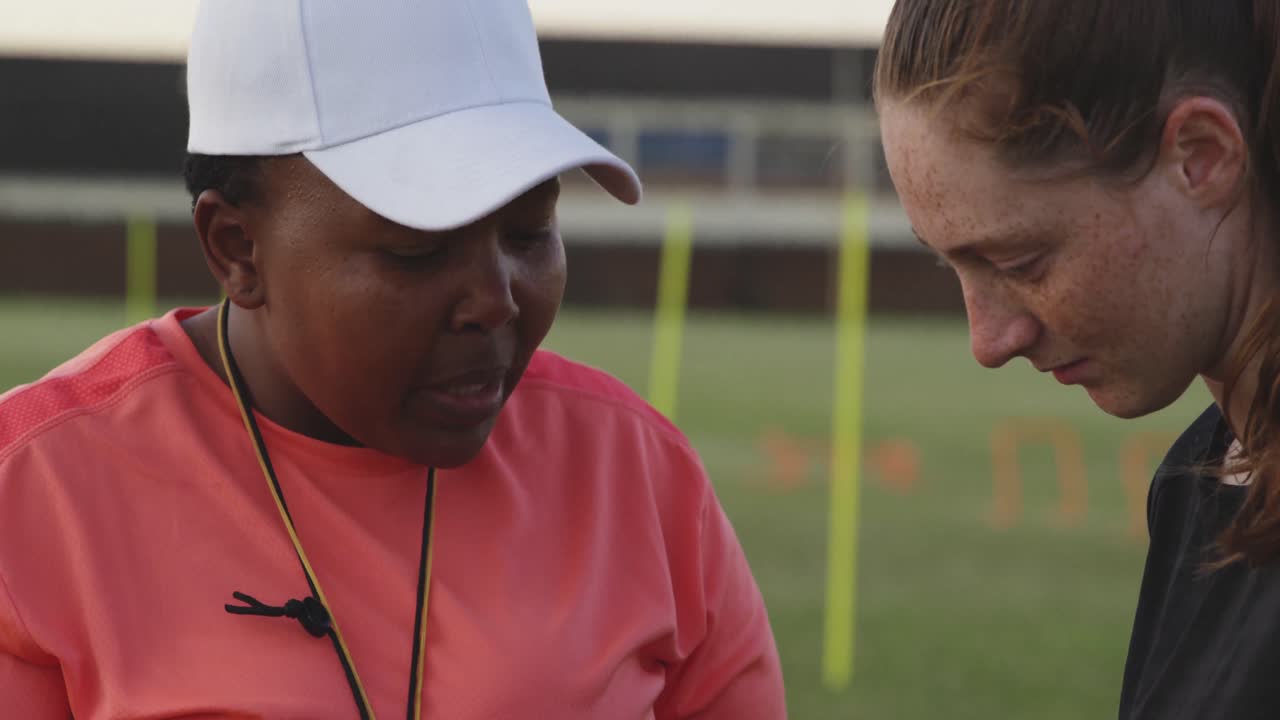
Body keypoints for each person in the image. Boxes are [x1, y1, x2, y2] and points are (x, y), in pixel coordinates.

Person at [0, 1, 786, 718]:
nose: (496, 300)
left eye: (528, 233)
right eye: (418, 249)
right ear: (237, 248)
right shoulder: (35, 495)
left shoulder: (636, 475)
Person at [874, 1, 1280, 718]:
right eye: (951, 267)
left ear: (1201, 156)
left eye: (1021, 261)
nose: (988, 341)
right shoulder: (1198, 480)